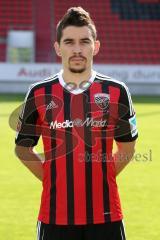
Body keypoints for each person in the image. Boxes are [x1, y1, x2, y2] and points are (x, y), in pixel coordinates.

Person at [15, 6, 138, 240]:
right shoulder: (38, 93)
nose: (77, 49)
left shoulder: (117, 91)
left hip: (106, 216)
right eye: (69, 42)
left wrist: (101, 177)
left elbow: (127, 149)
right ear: (58, 48)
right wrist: (53, 178)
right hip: (54, 217)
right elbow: (23, 149)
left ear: (96, 46)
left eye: (84, 41)